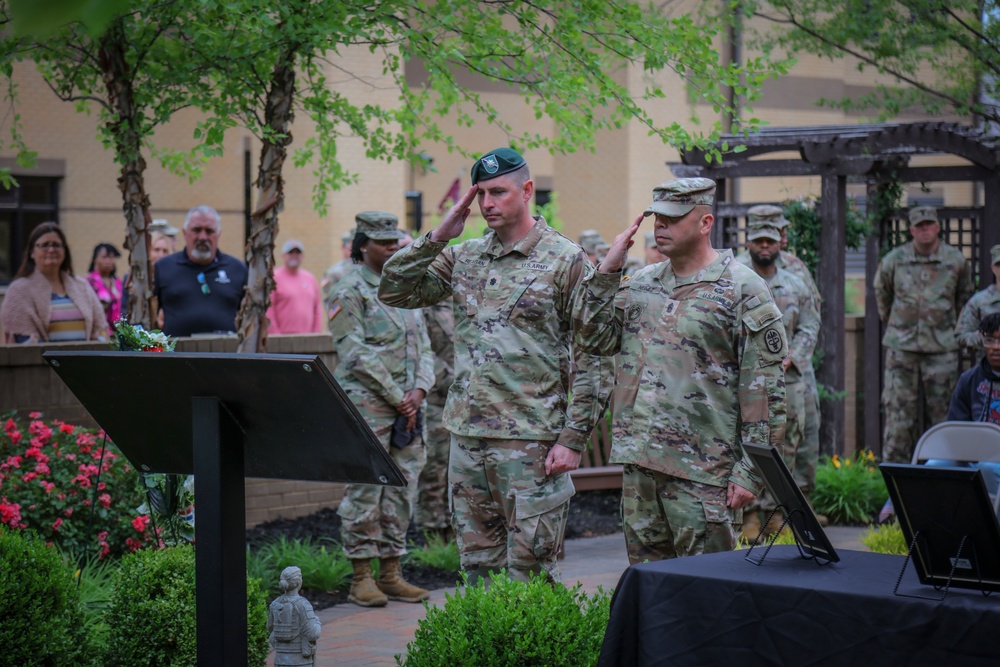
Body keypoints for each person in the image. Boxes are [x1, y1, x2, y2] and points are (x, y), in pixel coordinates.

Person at [378, 147, 610, 583]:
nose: (486, 204)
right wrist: (437, 237)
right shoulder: (464, 257)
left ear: (526, 191)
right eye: (480, 194)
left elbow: (595, 354)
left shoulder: (566, 260)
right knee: (477, 571)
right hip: (468, 439)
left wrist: (574, 438)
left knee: (531, 573)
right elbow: (394, 290)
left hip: (531, 441)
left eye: (498, 192)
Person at [575, 178, 787, 564]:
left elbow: (766, 392)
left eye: (673, 218)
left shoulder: (742, 289)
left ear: (705, 223)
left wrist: (751, 472)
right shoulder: (640, 282)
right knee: (652, 594)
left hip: (704, 475)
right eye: (657, 217)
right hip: (641, 469)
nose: (660, 227)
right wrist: (605, 272)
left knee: (708, 596)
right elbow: (592, 339)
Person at [330, 211, 435, 607]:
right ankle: (361, 578)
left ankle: (392, 573)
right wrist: (399, 396)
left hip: (408, 409)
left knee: (402, 488)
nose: (394, 247)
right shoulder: (348, 289)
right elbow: (353, 353)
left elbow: (424, 345)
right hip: (369, 405)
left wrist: (420, 390)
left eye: (396, 241)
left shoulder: (405, 288)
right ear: (362, 246)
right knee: (365, 488)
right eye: (384, 242)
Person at [737, 219, 820, 536]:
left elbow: (810, 327)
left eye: (770, 241)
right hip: (747, 383)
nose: (764, 247)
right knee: (745, 443)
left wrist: (791, 359)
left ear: (779, 244)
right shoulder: (738, 281)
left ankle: (774, 513)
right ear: (750, 244)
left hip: (788, 381)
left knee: (785, 444)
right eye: (758, 241)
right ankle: (748, 515)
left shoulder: (796, 284)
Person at [875, 205, 974, 463]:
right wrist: (897, 325)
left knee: (944, 417)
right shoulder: (893, 260)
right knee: (898, 417)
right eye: (919, 226)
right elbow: (882, 295)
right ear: (911, 230)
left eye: (929, 224)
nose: (925, 230)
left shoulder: (955, 261)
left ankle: (944, 478)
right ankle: (894, 485)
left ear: (938, 227)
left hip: (942, 349)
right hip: (902, 350)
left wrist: (951, 328)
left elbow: (965, 297)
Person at [1, 222, 108, 343]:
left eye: (56, 245)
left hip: (85, 361)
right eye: (44, 245)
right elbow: (25, 342)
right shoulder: (19, 291)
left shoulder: (82, 286)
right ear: (32, 252)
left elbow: (100, 331)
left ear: (65, 251)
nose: (51, 250)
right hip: (40, 362)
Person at [153, 205, 248, 337]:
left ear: (218, 234)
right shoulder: (163, 268)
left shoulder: (237, 269)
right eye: (196, 230)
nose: (203, 237)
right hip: (176, 353)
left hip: (225, 353)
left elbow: (250, 317)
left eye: (209, 231)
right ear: (185, 233)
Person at [415, 295, 455, 541]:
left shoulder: (469, 297)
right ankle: (431, 533)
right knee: (433, 467)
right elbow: (422, 351)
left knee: (458, 469)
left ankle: (454, 530)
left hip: (468, 399)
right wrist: (453, 379)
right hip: (435, 398)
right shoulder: (423, 303)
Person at [266, 239, 324, 334]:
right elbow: (269, 311)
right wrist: (276, 336)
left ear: (303, 256)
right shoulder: (274, 278)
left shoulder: (310, 279)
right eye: (291, 253)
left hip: (307, 339)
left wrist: (315, 334)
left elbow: (317, 309)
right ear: (283, 256)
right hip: (282, 338)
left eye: (298, 253)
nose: (294, 256)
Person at [267, 566, 321, 666]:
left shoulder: (275, 603)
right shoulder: (303, 604)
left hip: (280, 660)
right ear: (298, 582)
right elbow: (312, 634)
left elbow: (270, 627)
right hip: (301, 661)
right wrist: (317, 622)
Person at [956, 244, 1000, 354]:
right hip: (989, 366)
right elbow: (961, 336)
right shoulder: (978, 301)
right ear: (993, 268)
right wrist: (986, 337)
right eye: (999, 265)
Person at [85, 242, 123, 331]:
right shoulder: (88, 282)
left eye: (111, 257)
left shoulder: (117, 282)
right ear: (95, 260)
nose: (108, 261)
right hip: (98, 331)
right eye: (104, 257)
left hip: (118, 332)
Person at [321, 229, 356, 306]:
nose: (352, 251)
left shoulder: (361, 267)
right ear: (343, 248)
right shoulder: (334, 272)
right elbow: (328, 297)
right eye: (349, 248)